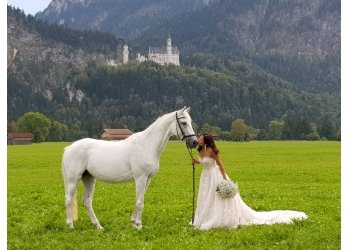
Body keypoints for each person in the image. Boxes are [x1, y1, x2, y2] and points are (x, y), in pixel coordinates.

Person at [190, 133, 308, 230]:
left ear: (206, 140)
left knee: (217, 196)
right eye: (199, 138)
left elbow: (220, 165)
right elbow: (204, 161)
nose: (198, 139)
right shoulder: (199, 149)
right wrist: (196, 161)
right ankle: (206, 216)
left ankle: (220, 217)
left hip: (215, 175)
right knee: (206, 196)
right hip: (205, 177)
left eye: (200, 138)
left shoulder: (212, 150)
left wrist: (225, 179)